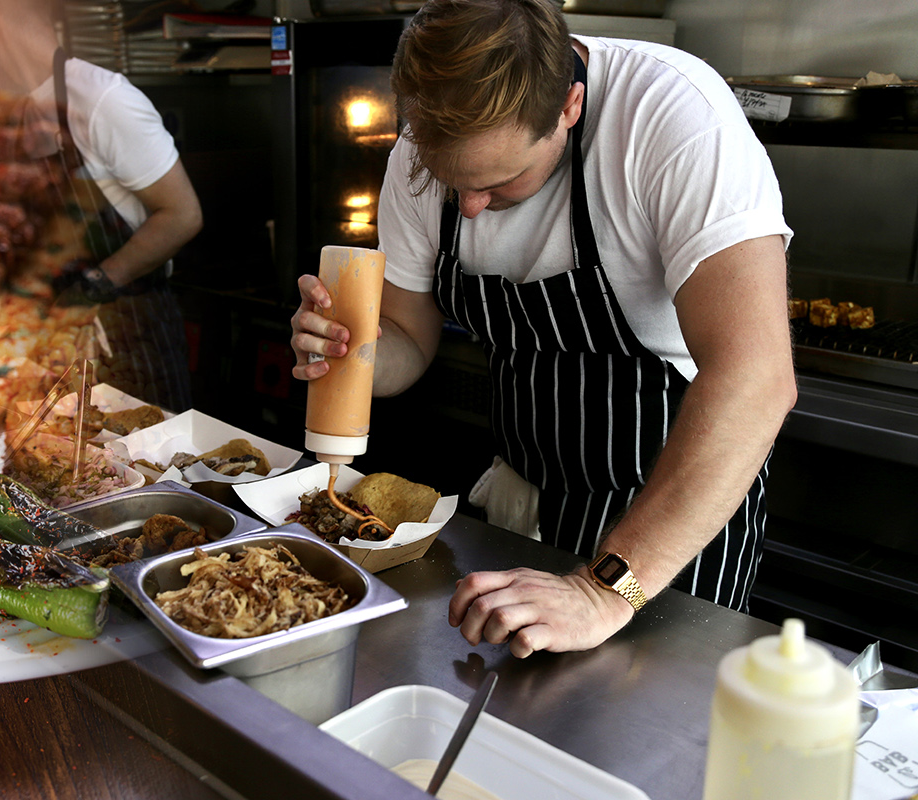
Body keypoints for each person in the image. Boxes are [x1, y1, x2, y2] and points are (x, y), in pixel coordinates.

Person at [288, 0, 796, 657]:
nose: (470, 207)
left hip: (672, 509)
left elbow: (755, 381)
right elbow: (409, 343)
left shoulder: (673, 119)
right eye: (452, 183)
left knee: (648, 729)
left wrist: (605, 589)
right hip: (525, 489)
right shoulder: (419, 153)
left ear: (570, 107)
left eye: (500, 183)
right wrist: (352, 352)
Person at [0, 0, 203, 410]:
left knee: (139, 469)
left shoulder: (104, 99)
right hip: (46, 344)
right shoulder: (12, 108)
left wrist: (89, 287)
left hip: (127, 338)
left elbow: (182, 215)